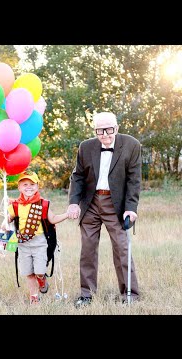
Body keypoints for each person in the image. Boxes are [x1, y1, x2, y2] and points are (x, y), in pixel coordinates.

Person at [67, 111, 141, 308]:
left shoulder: (132, 145)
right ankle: (86, 295)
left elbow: (134, 179)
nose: (105, 134)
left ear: (116, 128)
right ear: (95, 130)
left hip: (115, 204)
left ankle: (130, 294)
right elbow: (78, 177)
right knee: (88, 249)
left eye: (109, 129)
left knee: (122, 248)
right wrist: (73, 202)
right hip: (90, 203)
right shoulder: (86, 147)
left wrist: (131, 208)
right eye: (100, 130)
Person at [4, 170, 68, 305]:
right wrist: (4, 226)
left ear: (37, 186)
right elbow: (7, 220)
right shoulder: (15, 205)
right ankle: (34, 297)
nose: (29, 187)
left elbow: (53, 219)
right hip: (23, 244)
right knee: (28, 273)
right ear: (19, 187)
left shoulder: (42, 204)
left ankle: (42, 278)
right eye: (25, 184)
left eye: (32, 184)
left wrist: (67, 214)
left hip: (39, 243)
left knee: (39, 271)